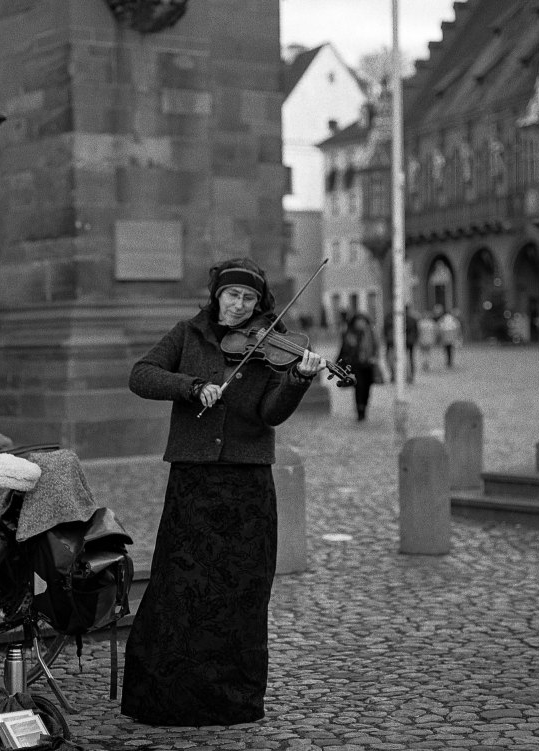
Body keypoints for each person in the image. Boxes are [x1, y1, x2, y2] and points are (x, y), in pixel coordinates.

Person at [121, 257, 326, 727]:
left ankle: (230, 699)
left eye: (249, 299)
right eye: (232, 295)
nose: (239, 305)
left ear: (260, 304)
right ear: (217, 295)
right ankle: (169, 698)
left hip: (246, 483)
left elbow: (271, 414)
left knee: (240, 591)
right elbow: (142, 375)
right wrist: (191, 387)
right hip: (194, 480)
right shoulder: (187, 334)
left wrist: (297, 379)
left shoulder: (275, 346)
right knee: (181, 588)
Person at [336, 312, 379, 421]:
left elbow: (375, 347)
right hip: (355, 366)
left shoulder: (370, 333)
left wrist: (374, 357)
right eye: (358, 321)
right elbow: (344, 350)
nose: (361, 324)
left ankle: (364, 406)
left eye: (363, 321)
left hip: (368, 365)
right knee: (359, 388)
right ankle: (360, 410)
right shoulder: (349, 334)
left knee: (367, 388)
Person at [404, 305, 418, 383]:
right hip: (411, 340)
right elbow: (416, 330)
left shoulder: (401, 319)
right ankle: (411, 374)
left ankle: (408, 374)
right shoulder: (412, 319)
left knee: (406, 358)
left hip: (405, 341)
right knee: (411, 358)